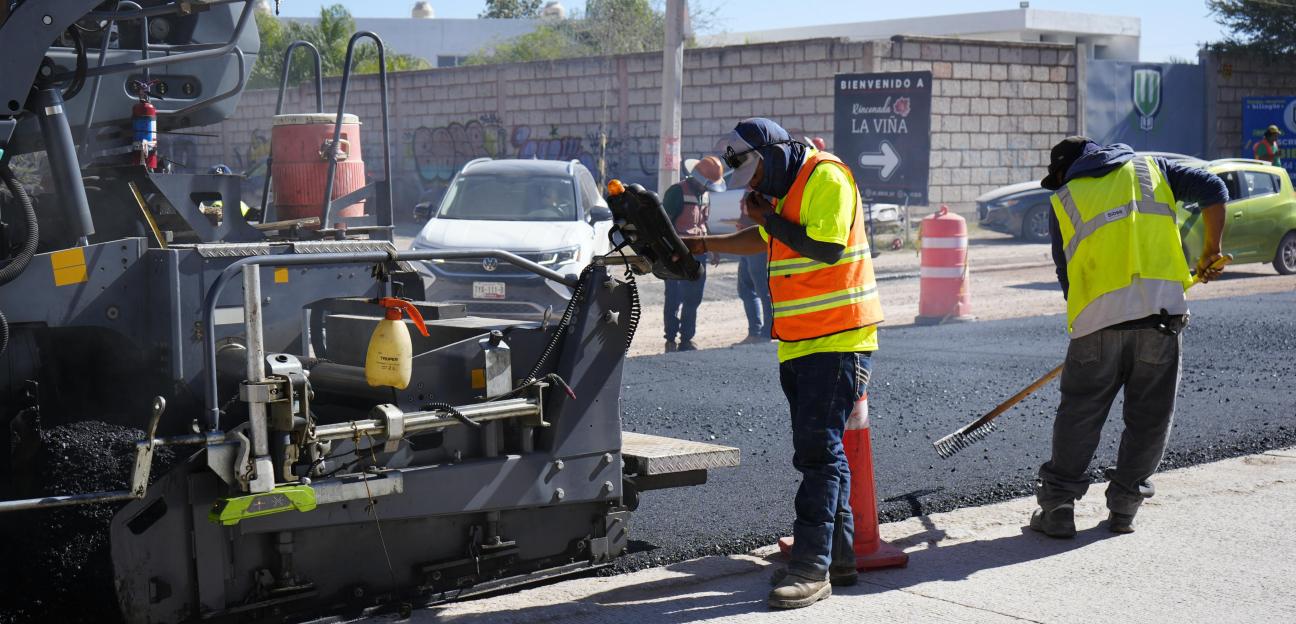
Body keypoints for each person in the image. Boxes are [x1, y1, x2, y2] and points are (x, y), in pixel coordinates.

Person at [682, 118, 883, 609]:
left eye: (752, 174)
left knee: (819, 456)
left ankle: (811, 570)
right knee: (822, 453)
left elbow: (827, 248)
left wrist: (767, 218)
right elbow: (768, 240)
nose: (751, 185)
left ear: (770, 155)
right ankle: (840, 558)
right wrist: (706, 245)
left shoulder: (826, 177)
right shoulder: (790, 189)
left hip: (837, 340)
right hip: (801, 341)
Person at [1033, 136, 1227, 538]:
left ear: (1063, 170)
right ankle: (1124, 509)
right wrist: (1211, 249)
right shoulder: (1152, 168)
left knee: (1079, 415)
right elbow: (1215, 189)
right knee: (1150, 418)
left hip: (1095, 323)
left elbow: (1065, 273)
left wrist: (1093, 320)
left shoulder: (1065, 198)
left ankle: (1058, 511)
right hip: (1161, 317)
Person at [661, 156, 725, 352]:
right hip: (677, 255)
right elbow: (664, 225)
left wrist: (712, 248)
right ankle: (670, 338)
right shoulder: (676, 192)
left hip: (699, 255)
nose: (707, 189)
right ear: (698, 179)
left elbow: (703, 224)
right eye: (707, 184)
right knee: (674, 297)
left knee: (693, 298)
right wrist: (668, 252)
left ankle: (687, 339)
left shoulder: (705, 195)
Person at [734, 206, 773, 343]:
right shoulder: (753, 187)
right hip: (748, 240)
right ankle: (755, 332)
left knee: (763, 290)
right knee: (745, 289)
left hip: (759, 240)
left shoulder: (766, 189)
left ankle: (767, 332)